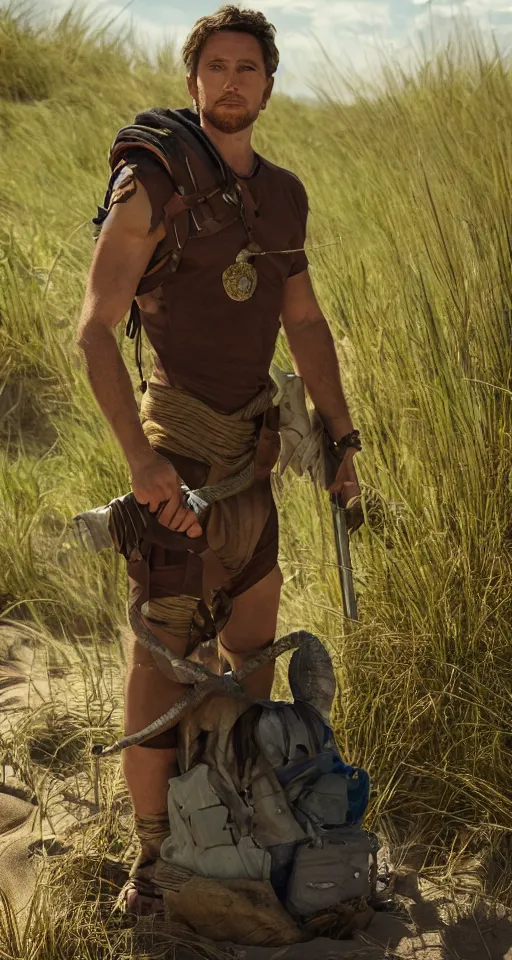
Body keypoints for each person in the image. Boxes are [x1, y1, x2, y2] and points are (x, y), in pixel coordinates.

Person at [76, 4, 361, 916]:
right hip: (178, 450)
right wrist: (142, 464)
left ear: (269, 85)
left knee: (247, 648)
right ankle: (153, 861)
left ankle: (227, 810)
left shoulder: (284, 193)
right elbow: (92, 328)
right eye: (217, 67)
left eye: (249, 67)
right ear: (194, 81)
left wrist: (342, 442)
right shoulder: (149, 181)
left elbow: (305, 321)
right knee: (163, 653)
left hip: (255, 452)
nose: (233, 81)